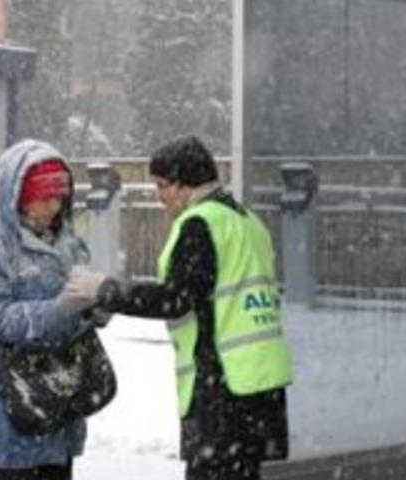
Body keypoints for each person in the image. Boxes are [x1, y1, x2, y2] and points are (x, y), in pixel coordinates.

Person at [95, 136, 294, 480]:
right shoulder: (247, 222)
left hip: (222, 386)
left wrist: (107, 292)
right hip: (260, 388)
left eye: (162, 185)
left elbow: (176, 299)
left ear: (184, 183)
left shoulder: (200, 224)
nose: (158, 196)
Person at [0, 139, 105, 480]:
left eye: (60, 197)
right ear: (19, 195)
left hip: (59, 393)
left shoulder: (67, 241)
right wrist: (58, 310)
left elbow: (79, 297)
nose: (54, 206)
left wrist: (94, 309)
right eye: (44, 197)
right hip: (8, 397)